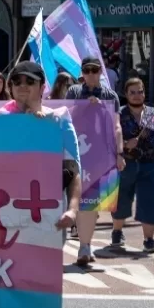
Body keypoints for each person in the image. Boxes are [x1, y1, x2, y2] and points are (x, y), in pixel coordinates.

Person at [0, 61, 81, 308]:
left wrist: (72, 210)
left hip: (47, 216)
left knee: (41, 284)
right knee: (10, 281)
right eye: (16, 81)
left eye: (29, 81)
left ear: (42, 87)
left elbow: (74, 171)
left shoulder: (58, 121)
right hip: (6, 216)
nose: (22, 86)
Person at [62, 58, 125, 266]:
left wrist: (120, 153)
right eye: (87, 70)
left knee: (94, 200)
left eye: (95, 70)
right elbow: (67, 116)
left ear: (100, 72)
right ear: (82, 73)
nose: (91, 74)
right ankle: (84, 246)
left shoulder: (110, 96)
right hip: (77, 151)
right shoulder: (74, 92)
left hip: (101, 152)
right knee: (78, 197)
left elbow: (116, 126)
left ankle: (85, 245)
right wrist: (84, 107)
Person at [114, 77, 154, 253]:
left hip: (151, 164)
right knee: (122, 198)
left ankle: (149, 239)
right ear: (126, 94)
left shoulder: (152, 113)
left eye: (140, 91)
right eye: (132, 92)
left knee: (149, 200)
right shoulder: (120, 114)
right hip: (127, 163)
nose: (137, 96)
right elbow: (109, 138)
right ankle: (117, 231)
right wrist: (125, 144)